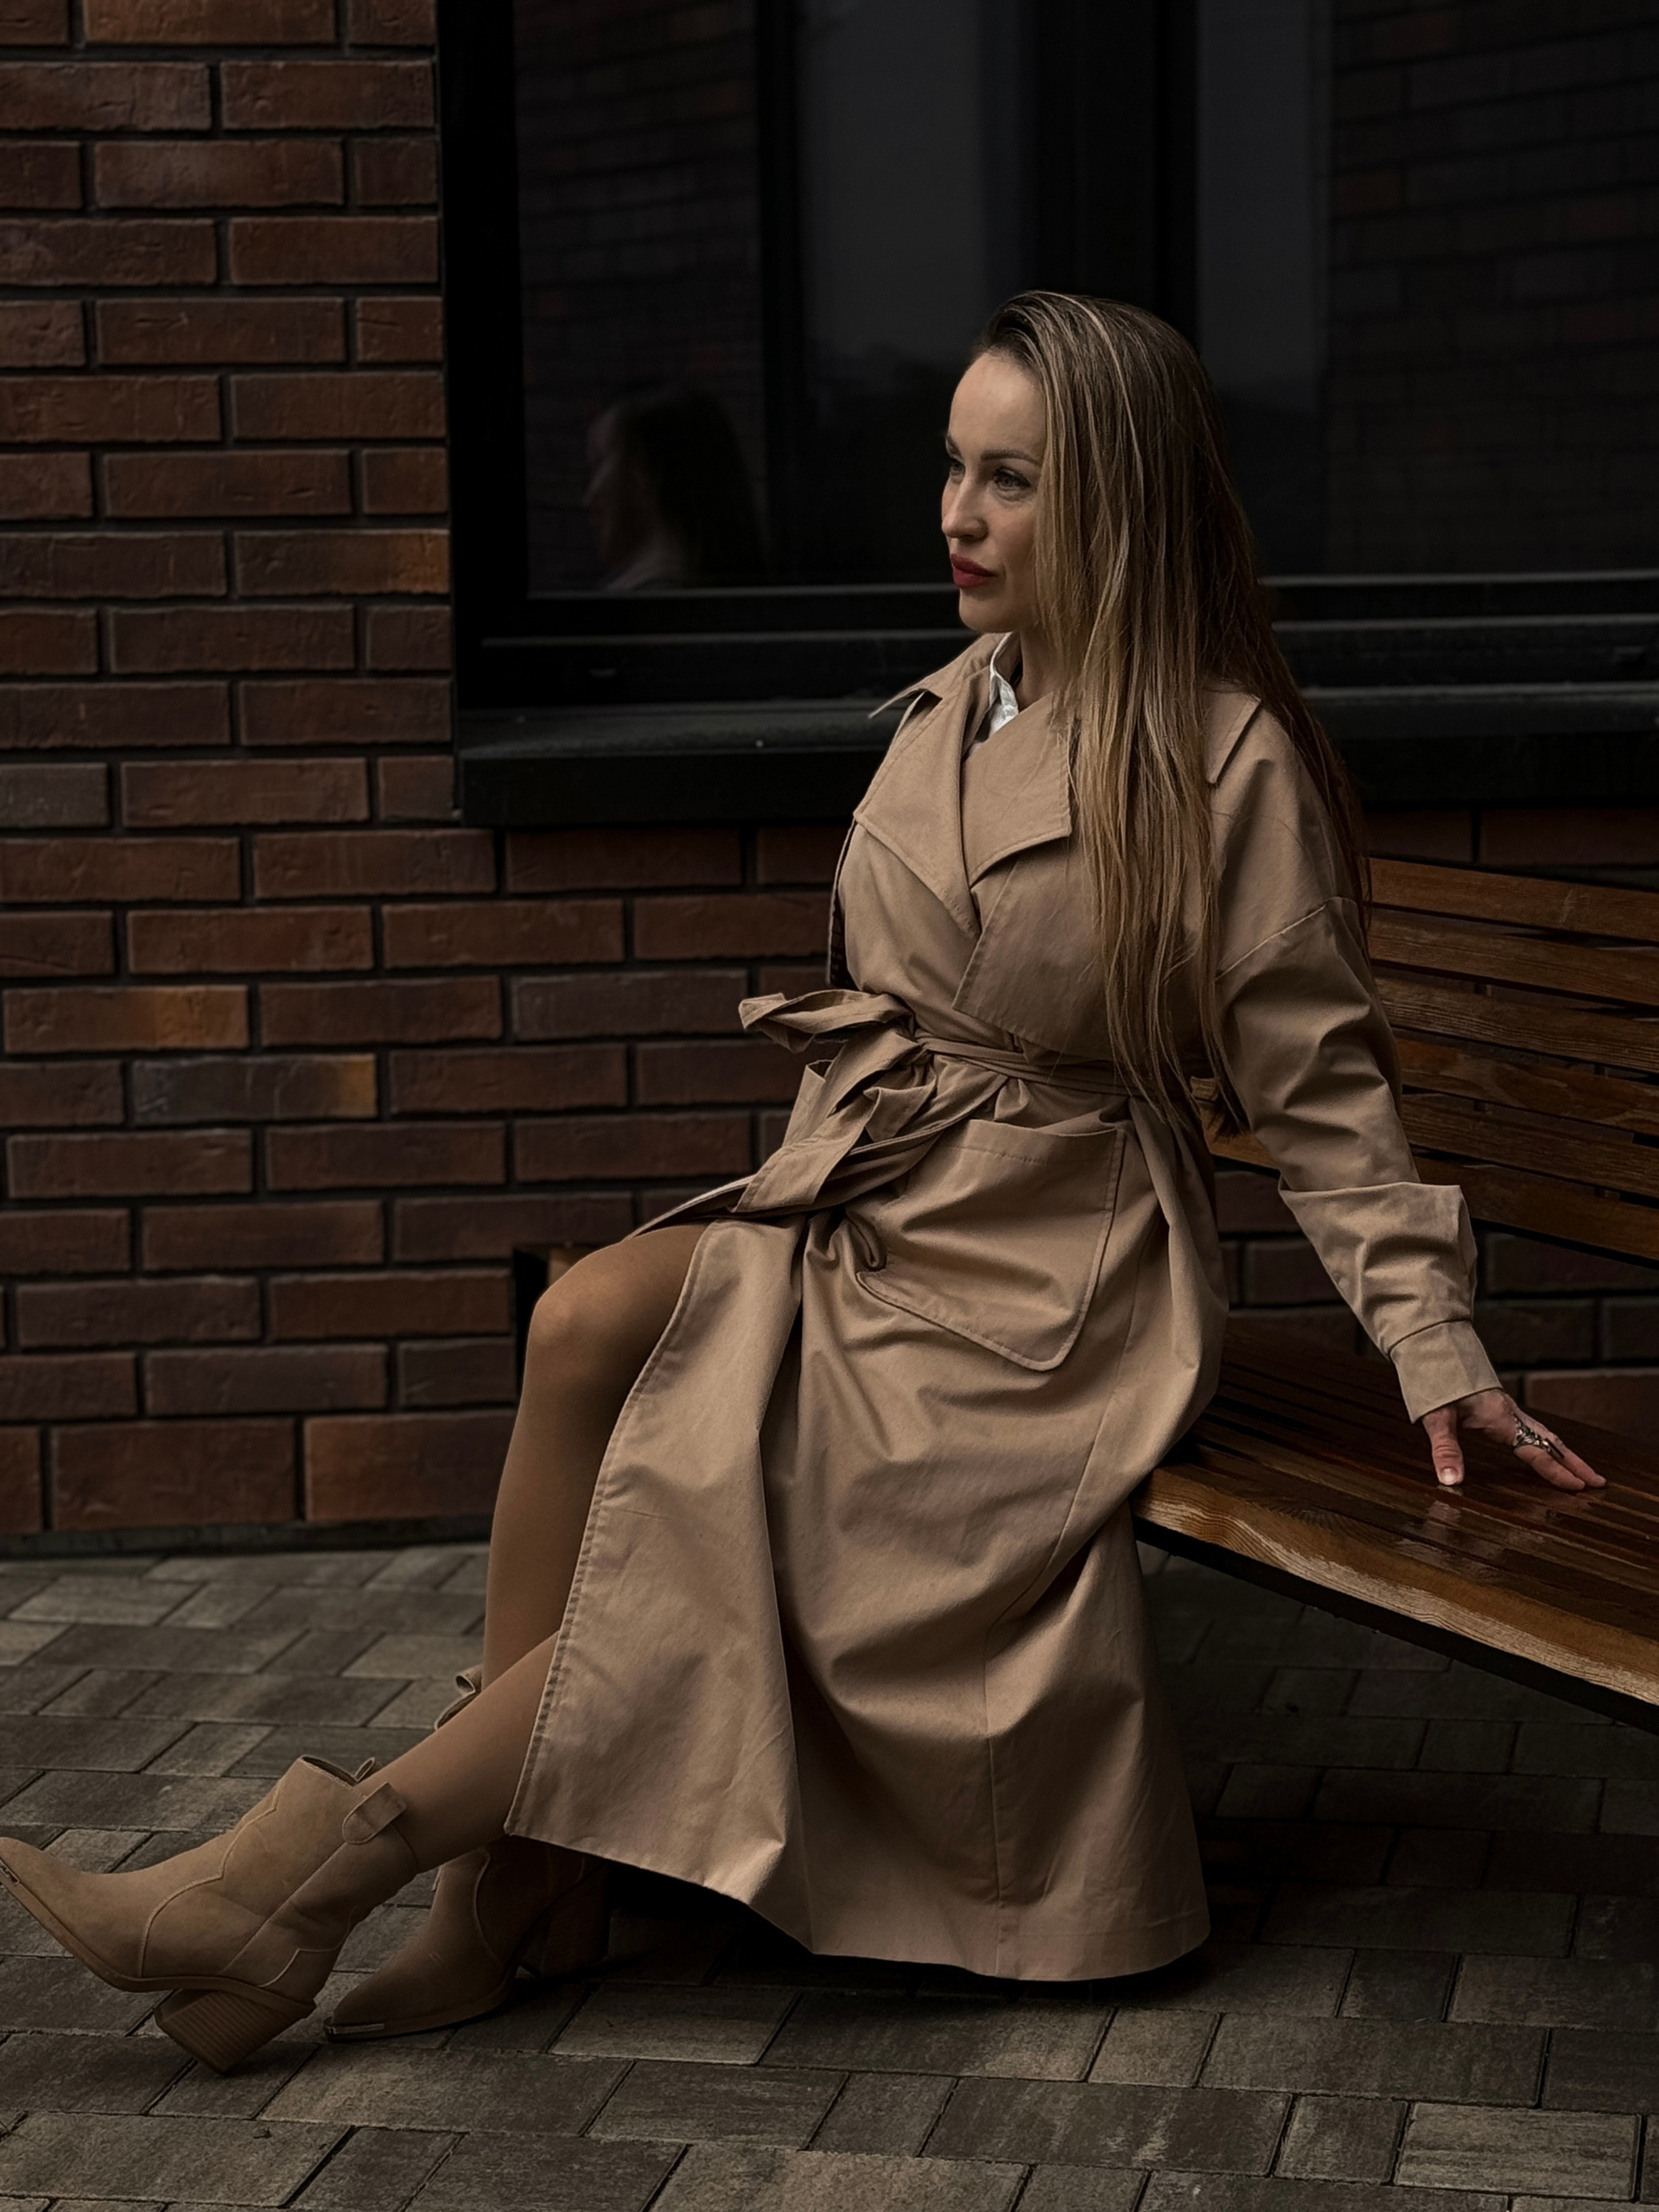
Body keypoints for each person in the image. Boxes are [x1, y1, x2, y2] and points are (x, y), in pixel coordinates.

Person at [0, 292, 1602, 2072]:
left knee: (712, 1490)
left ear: (1119, 505)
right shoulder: (956, 698)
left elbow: (1324, 1095)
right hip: (881, 1192)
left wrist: (1433, 1342)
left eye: (1011, 480)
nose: (957, 515)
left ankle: (317, 1874)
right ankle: (517, 1891)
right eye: (953, 467)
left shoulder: (1224, 761)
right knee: (583, 1320)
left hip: (1052, 1275)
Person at [584, 385, 767, 589]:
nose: (591, 495)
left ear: (642, 469)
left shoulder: (650, 598)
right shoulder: (723, 591)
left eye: (600, 461)